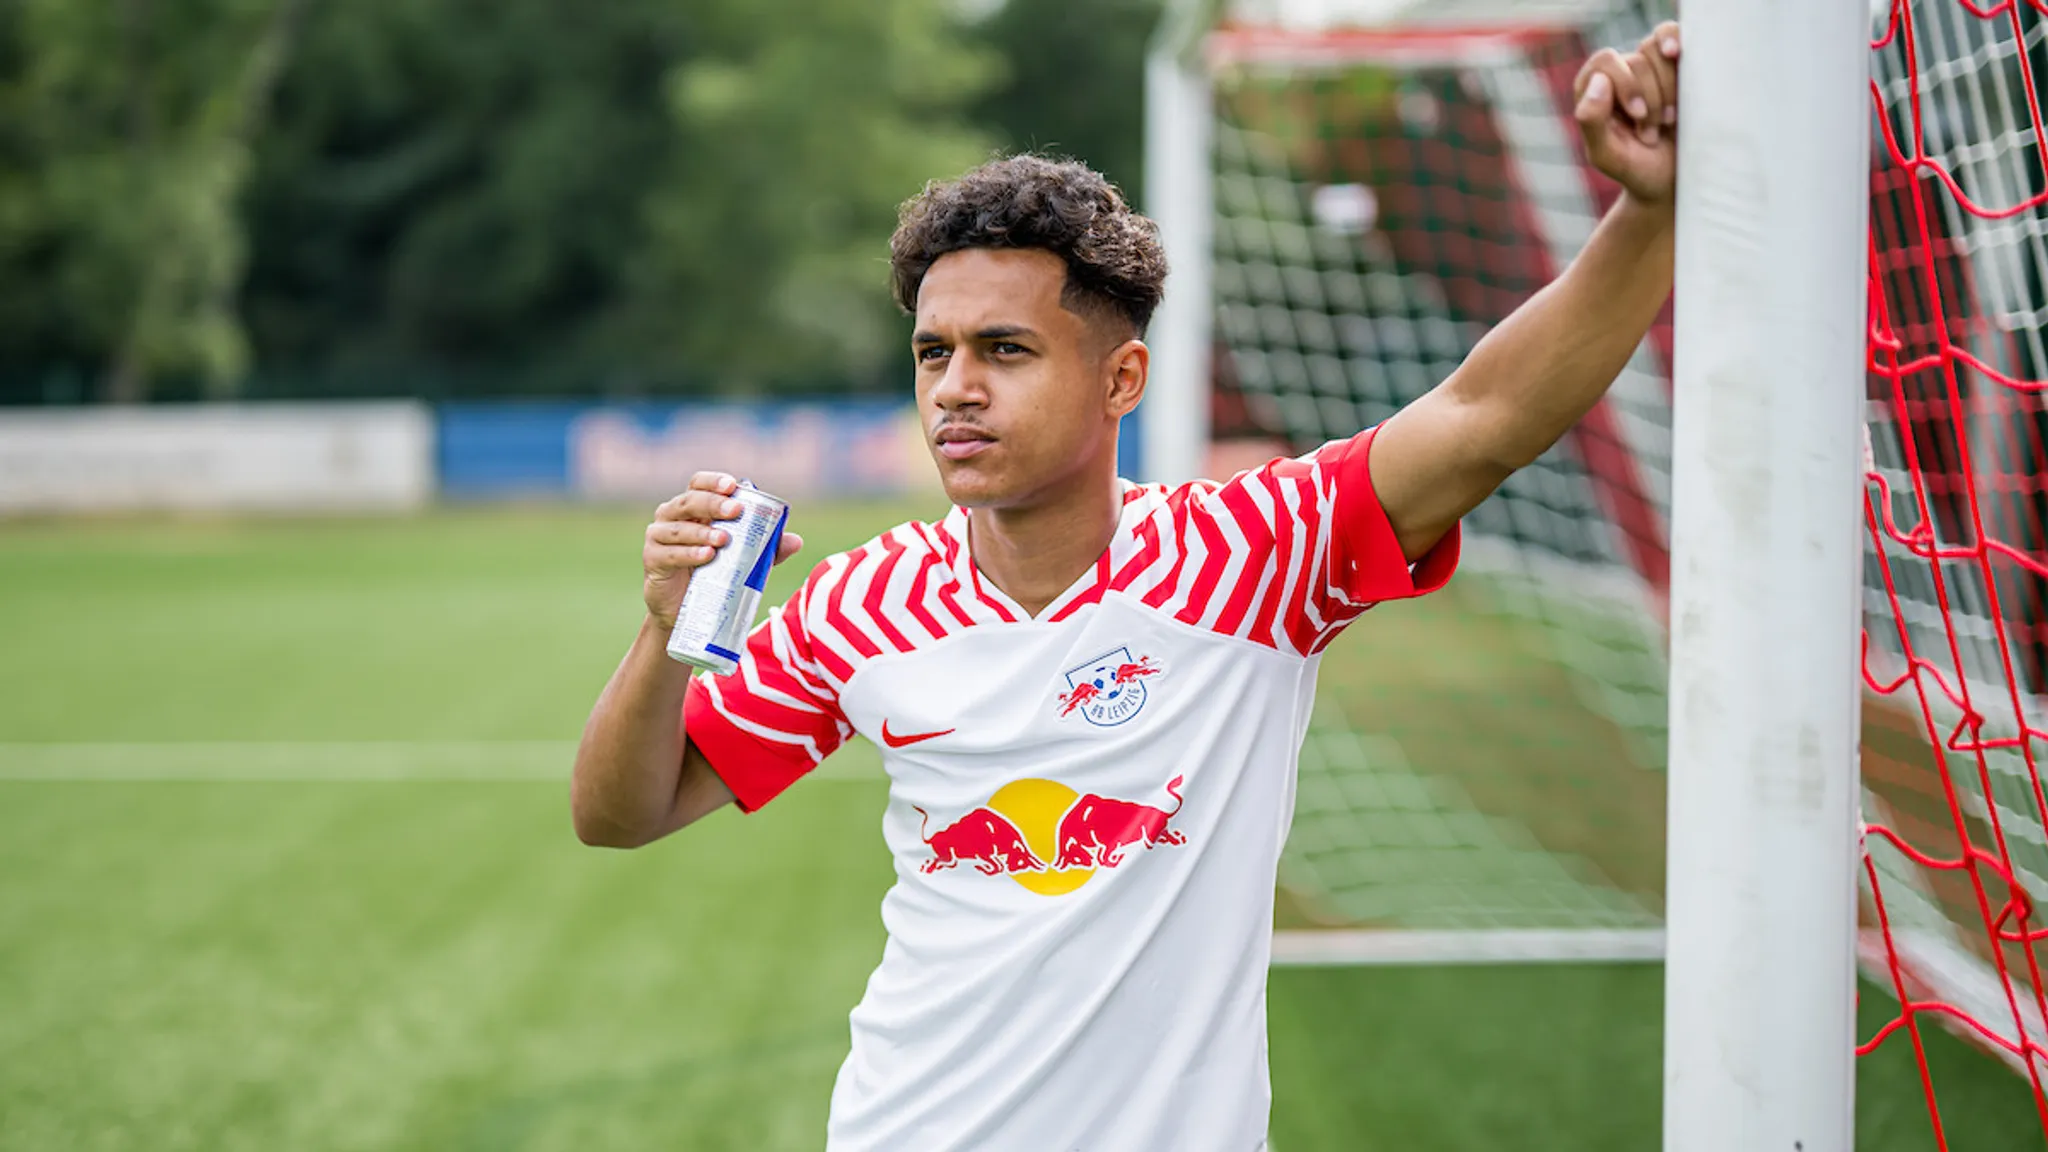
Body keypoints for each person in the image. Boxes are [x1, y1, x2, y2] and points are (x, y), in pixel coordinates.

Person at [571, 22, 1684, 1152]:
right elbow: (620, 811)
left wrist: (1644, 216)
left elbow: (1483, 417)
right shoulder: (856, 602)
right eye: (931, 352)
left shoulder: (1254, 552)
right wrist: (664, 632)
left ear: (1121, 378)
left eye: (1003, 350)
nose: (955, 388)